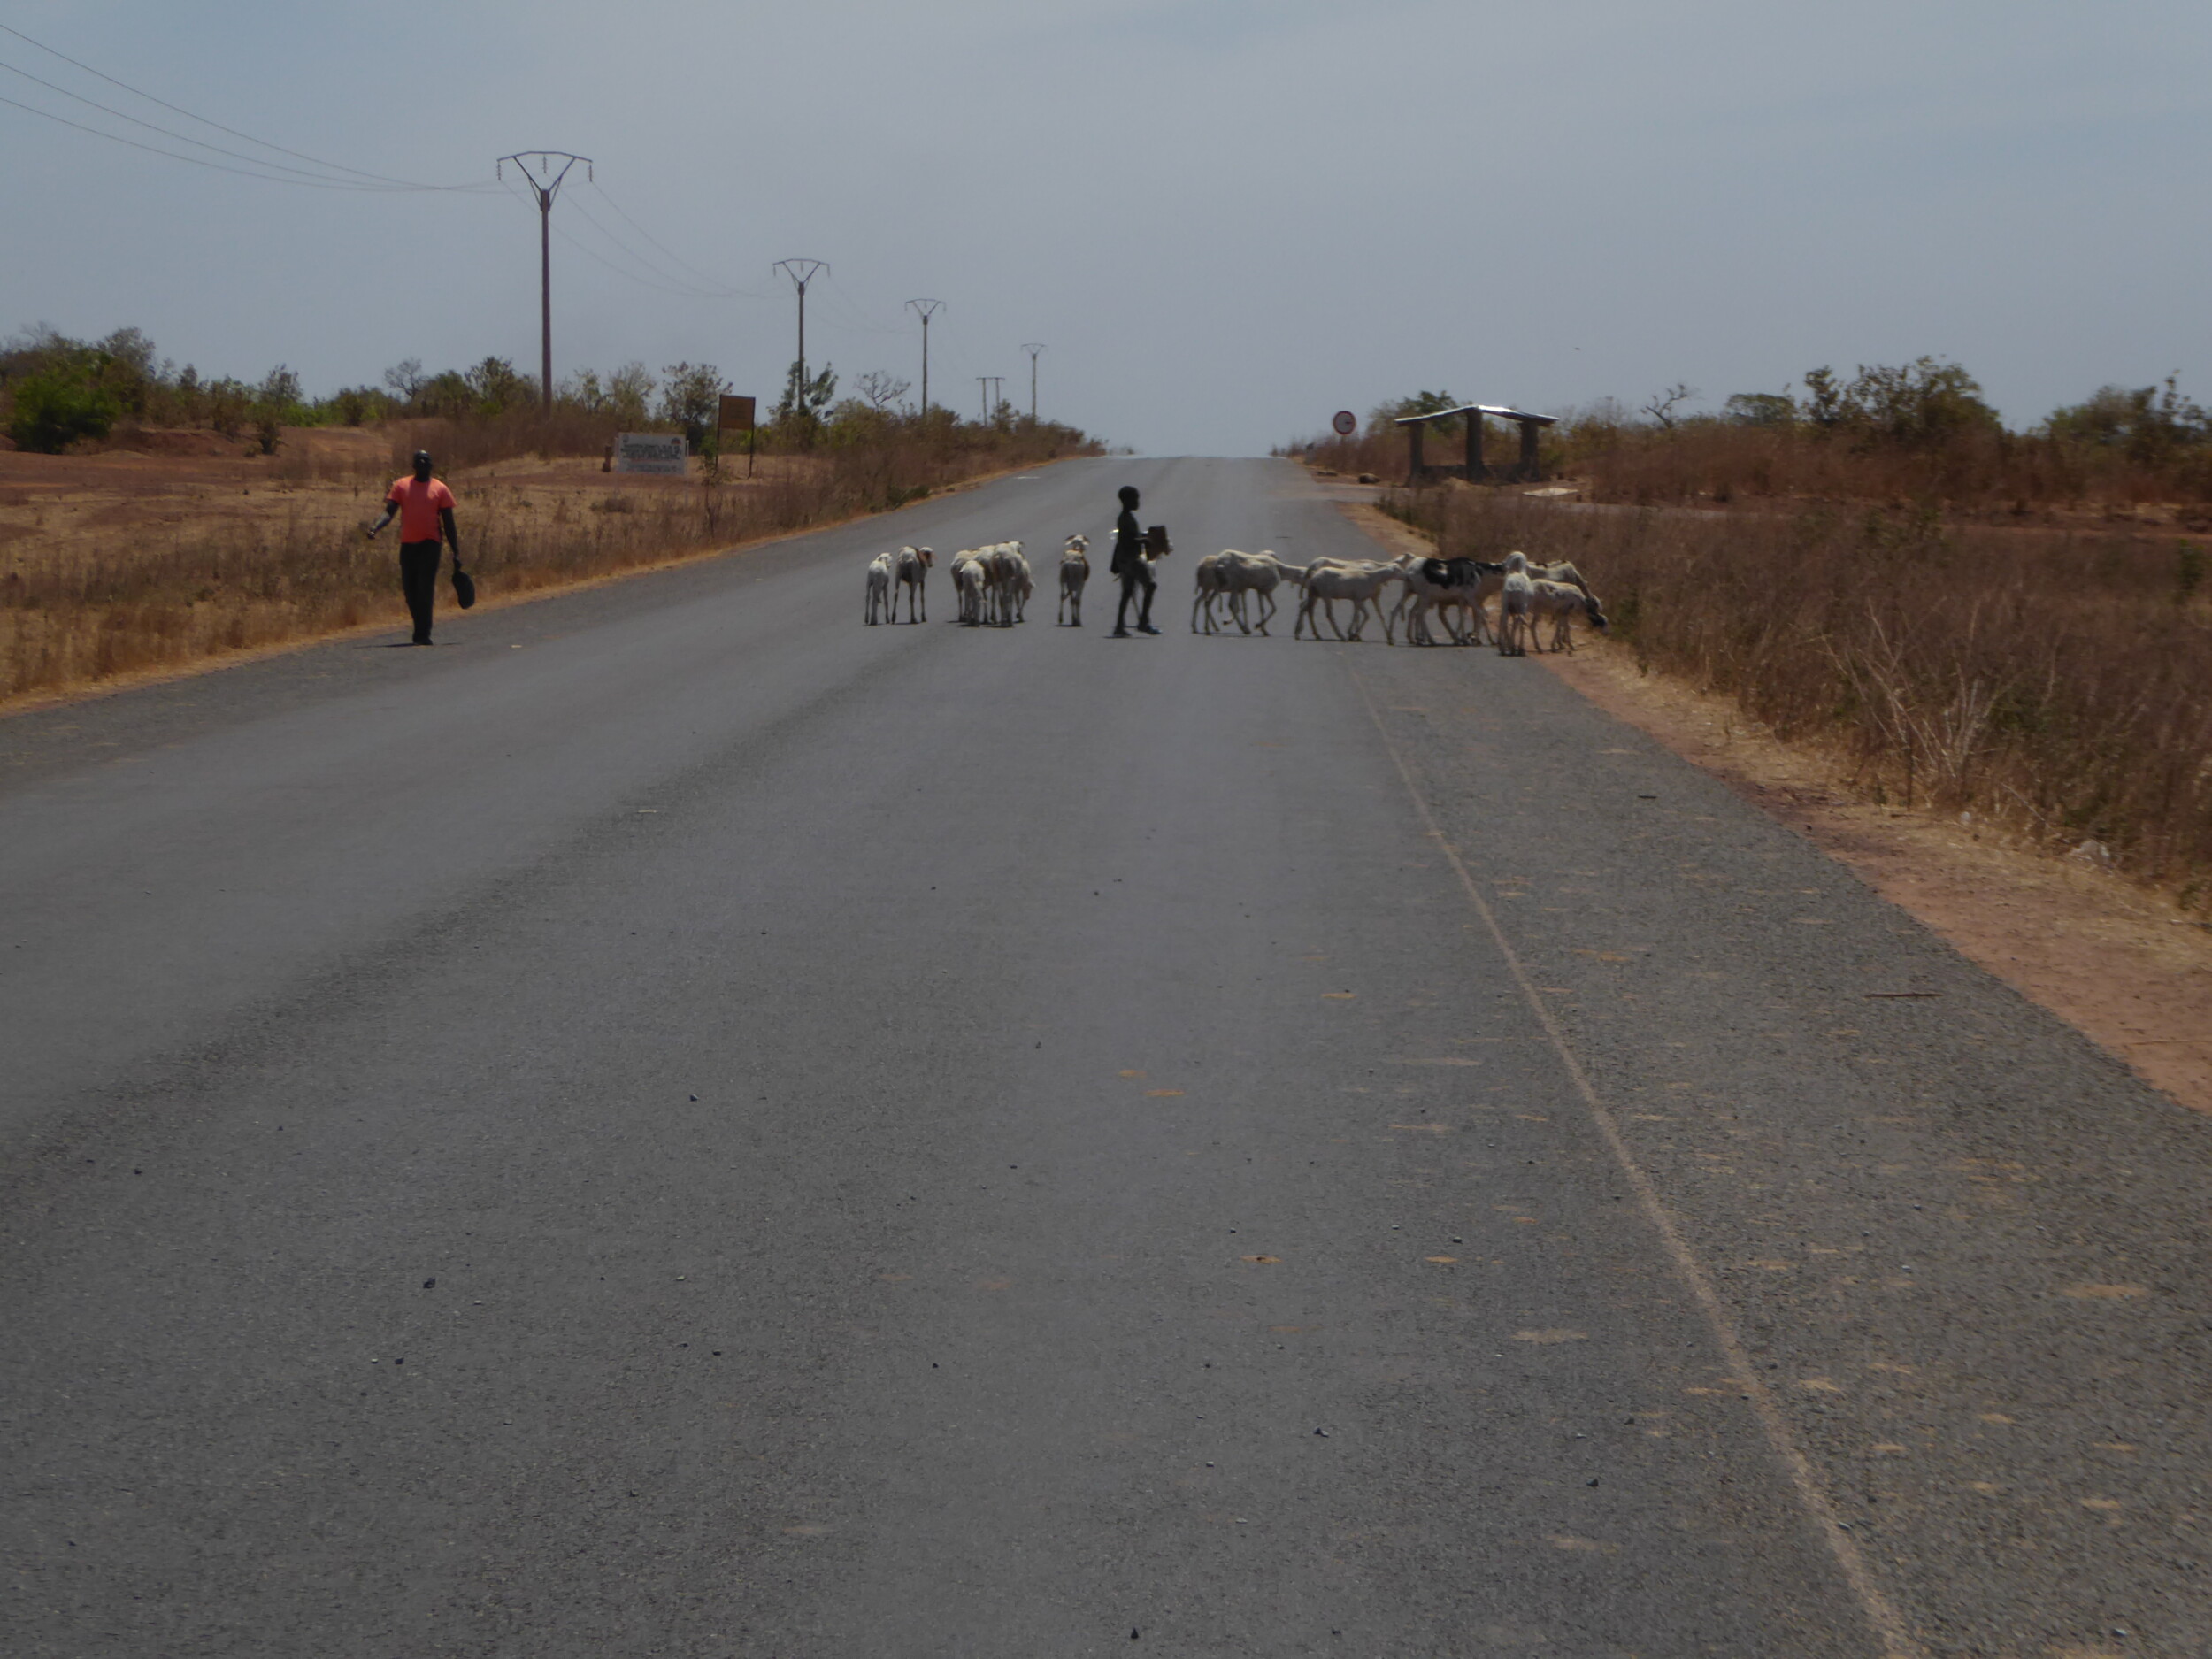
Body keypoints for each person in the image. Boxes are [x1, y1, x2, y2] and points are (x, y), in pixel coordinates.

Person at [365, 449, 462, 645]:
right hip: (408, 545)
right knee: (410, 590)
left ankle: (422, 633)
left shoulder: (440, 489)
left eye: (427, 460)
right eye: (419, 460)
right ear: (413, 465)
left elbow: (449, 524)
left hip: (430, 544)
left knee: (424, 588)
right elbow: (389, 512)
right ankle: (420, 626)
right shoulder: (401, 486)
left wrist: (456, 552)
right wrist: (375, 527)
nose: (423, 463)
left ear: (431, 465)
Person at [1110, 483, 1157, 636]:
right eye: (1135, 499)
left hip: (1123, 559)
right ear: (1128, 500)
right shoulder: (1126, 519)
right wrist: (1144, 541)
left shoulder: (1125, 517)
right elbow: (1128, 540)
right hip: (1132, 559)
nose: (1138, 502)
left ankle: (1119, 626)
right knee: (1151, 585)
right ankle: (1143, 622)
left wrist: (1142, 537)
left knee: (1127, 591)